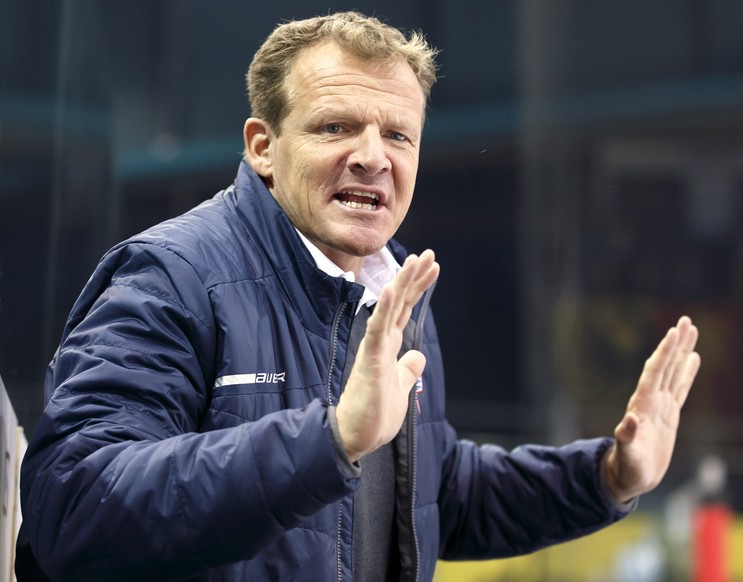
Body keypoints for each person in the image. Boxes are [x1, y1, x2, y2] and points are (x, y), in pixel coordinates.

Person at [16, 11, 701, 581]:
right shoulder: (172, 276)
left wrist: (607, 475)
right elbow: (73, 507)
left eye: (398, 134)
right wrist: (328, 440)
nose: (374, 155)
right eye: (336, 126)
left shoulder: (392, 293)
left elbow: (436, 495)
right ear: (262, 145)